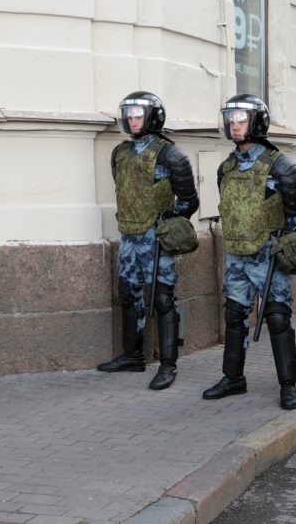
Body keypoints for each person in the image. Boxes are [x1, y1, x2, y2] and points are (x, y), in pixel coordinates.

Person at [202, 94, 296, 410]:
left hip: (268, 256)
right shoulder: (227, 167)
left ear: (256, 123)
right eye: (231, 120)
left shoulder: (282, 167)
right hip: (237, 255)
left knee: (277, 318)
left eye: (241, 120)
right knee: (234, 316)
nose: (234, 126)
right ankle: (233, 378)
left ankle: (288, 385)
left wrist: (280, 241)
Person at [97, 91, 199, 391]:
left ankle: (168, 366)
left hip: (156, 239)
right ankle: (133, 356)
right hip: (129, 236)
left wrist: (166, 224)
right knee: (128, 295)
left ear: (152, 118)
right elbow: (124, 189)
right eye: (129, 115)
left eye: (138, 115)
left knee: (163, 298)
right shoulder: (121, 152)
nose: (132, 120)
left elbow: (189, 200)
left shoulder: (171, 155)